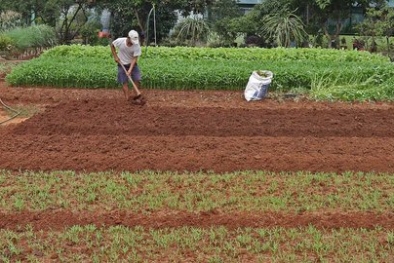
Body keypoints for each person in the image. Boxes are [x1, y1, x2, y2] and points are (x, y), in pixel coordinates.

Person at [110, 30, 142, 101]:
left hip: (133, 64)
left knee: (137, 79)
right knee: (124, 82)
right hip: (121, 64)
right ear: (128, 38)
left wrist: (130, 70)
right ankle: (127, 99)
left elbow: (134, 59)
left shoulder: (137, 46)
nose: (133, 43)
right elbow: (112, 45)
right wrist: (115, 56)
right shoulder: (120, 41)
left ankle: (136, 97)